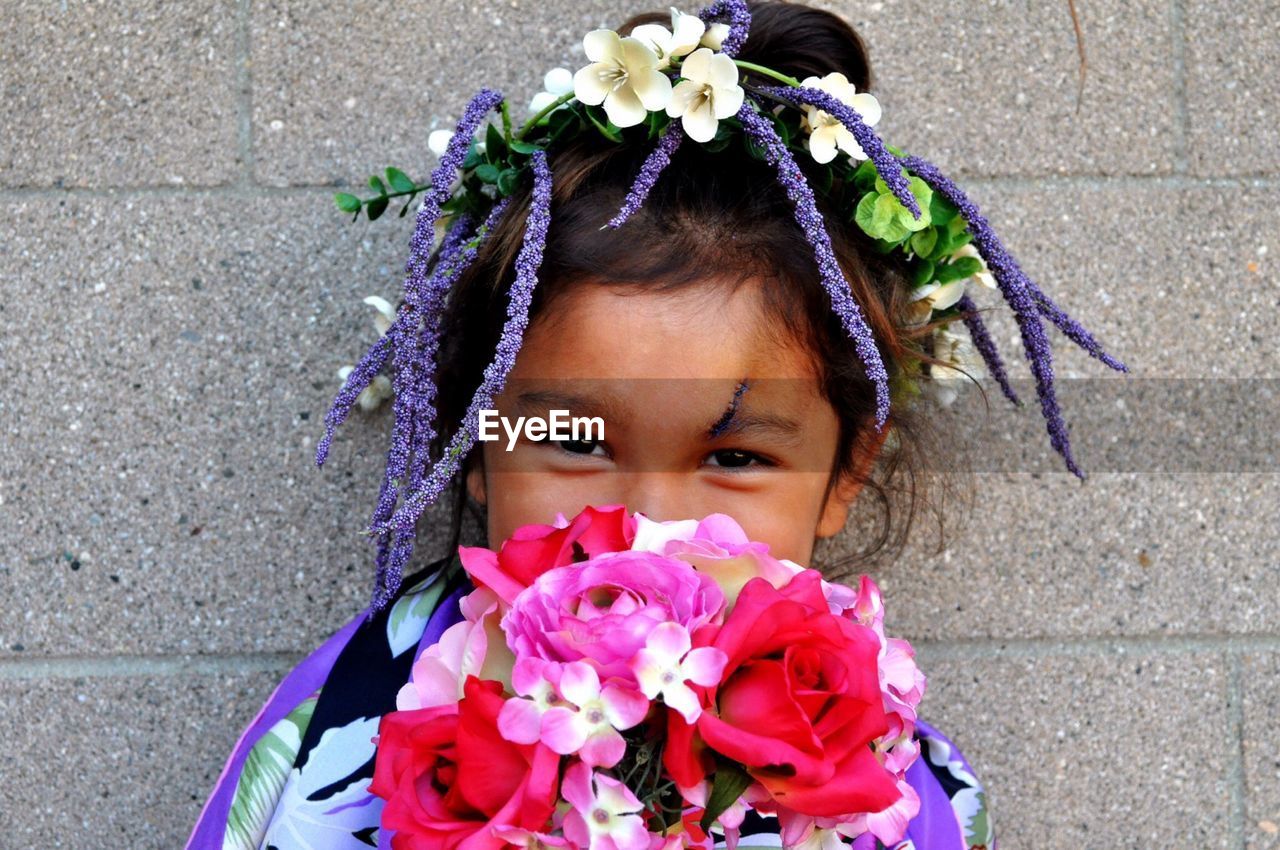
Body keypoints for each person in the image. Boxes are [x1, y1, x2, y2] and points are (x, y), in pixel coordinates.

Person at [188, 1, 1126, 847]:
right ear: (480, 431)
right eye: (575, 441)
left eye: (735, 455)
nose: (644, 531)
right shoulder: (339, 740)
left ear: (845, 472)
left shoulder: (891, 800)